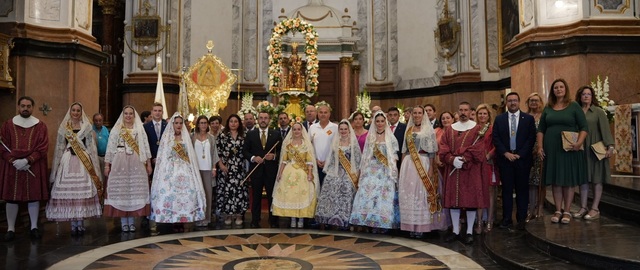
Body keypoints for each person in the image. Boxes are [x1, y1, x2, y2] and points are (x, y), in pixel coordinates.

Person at [537, 79, 588, 224]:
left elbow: (584, 127)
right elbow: (541, 130)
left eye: (561, 87)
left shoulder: (574, 106)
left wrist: (579, 143)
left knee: (568, 180)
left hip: (569, 148)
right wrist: (540, 147)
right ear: (552, 90)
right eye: (556, 87)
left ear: (565, 89)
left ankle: (567, 211)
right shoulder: (548, 107)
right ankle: (558, 210)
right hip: (551, 148)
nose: (558, 89)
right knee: (556, 180)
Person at [47, 103, 103, 235]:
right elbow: (60, 146)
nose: (76, 113)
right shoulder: (64, 127)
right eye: (74, 110)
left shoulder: (87, 127)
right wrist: (57, 165)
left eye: (78, 110)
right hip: (68, 160)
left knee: (81, 190)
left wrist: (94, 164)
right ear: (70, 111)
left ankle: (81, 222)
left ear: (81, 112)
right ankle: (73, 224)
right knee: (71, 191)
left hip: (83, 160)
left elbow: (91, 147)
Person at [1, 96, 49, 241]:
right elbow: (2, 146)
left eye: (28, 106)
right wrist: (13, 160)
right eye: (23, 106)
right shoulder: (8, 125)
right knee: (12, 199)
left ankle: (34, 227)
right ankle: (10, 229)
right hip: (13, 167)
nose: (25, 108)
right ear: (18, 107)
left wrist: (28, 160)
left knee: (33, 197)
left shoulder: (40, 126)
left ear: (32, 107)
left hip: (32, 165)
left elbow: (43, 146)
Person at [439, 101, 486, 244]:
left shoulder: (477, 129)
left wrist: (464, 159)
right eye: (461, 110)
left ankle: (470, 231)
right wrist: (452, 159)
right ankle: (455, 231)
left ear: (470, 111)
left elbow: (478, 149)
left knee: (470, 202)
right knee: (454, 202)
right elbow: (443, 147)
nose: (463, 113)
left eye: (466, 110)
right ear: (458, 112)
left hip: (470, 170)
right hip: (453, 169)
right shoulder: (450, 129)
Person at [150, 113, 206, 231]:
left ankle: (182, 220)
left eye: (181, 123)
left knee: (187, 194)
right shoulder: (167, 138)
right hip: (170, 169)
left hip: (185, 169)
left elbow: (190, 155)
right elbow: (163, 155)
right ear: (172, 124)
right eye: (176, 123)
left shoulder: (186, 138)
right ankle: (173, 219)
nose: (179, 125)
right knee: (171, 194)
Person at [104, 105, 153, 233]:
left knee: (132, 191)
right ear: (123, 115)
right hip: (119, 162)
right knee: (122, 190)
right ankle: (123, 222)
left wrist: (148, 164)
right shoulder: (117, 129)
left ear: (134, 115)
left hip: (136, 161)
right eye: (126, 113)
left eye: (131, 113)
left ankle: (131, 221)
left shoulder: (139, 129)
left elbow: (145, 147)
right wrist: (107, 165)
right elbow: (110, 147)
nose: (128, 116)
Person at [399, 106, 445, 238]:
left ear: (423, 114)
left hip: (424, 163)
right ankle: (410, 225)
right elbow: (404, 150)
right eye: (415, 113)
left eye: (420, 113)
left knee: (422, 193)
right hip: (409, 163)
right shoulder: (408, 130)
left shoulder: (428, 130)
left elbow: (432, 151)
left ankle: (421, 226)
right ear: (411, 115)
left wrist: (431, 168)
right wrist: (402, 167)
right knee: (409, 193)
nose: (417, 115)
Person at [350, 111, 400, 234]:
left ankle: (382, 223)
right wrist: (364, 171)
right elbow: (366, 155)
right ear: (374, 122)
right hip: (371, 169)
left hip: (385, 170)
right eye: (377, 121)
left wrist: (391, 169)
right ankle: (367, 221)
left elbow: (394, 156)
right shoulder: (370, 137)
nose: (380, 123)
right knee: (368, 193)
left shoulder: (390, 137)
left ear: (385, 122)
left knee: (383, 195)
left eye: (382, 121)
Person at [493, 94, 536, 230]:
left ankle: (521, 217)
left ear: (519, 102)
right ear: (506, 102)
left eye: (515, 100)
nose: (512, 103)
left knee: (522, 190)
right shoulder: (499, 119)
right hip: (505, 159)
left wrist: (519, 154)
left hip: (522, 160)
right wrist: (506, 153)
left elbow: (531, 139)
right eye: (510, 100)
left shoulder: (528, 119)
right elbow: (496, 138)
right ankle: (506, 218)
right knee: (506, 190)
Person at [574, 86, 615, 220]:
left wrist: (610, 147)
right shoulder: (577, 111)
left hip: (595, 148)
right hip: (580, 148)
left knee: (597, 179)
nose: (586, 96)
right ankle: (583, 207)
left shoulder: (598, 111)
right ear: (580, 96)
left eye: (589, 94)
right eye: (584, 94)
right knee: (583, 179)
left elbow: (605, 130)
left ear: (592, 97)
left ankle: (595, 208)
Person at [315, 119, 361, 229]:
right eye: (341, 129)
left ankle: (345, 219)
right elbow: (331, 159)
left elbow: (358, 161)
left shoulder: (353, 144)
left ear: (349, 130)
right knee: (329, 184)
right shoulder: (335, 143)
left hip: (349, 173)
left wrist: (357, 176)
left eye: (345, 129)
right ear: (338, 130)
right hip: (335, 171)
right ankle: (328, 218)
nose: (343, 131)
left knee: (346, 186)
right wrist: (330, 172)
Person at [272, 122, 320, 228]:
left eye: (298, 129)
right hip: (288, 172)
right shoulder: (288, 144)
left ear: (302, 131)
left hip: (303, 173)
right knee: (290, 196)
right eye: (294, 129)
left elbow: (309, 161)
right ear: (292, 131)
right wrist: (279, 174)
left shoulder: (306, 144)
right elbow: (284, 160)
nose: (296, 131)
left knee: (301, 195)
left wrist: (310, 173)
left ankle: (301, 219)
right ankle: (293, 218)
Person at [243, 111, 282, 228]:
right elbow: (245, 151)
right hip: (256, 170)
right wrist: (254, 158)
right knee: (256, 196)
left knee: (272, 196)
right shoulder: (251, 134)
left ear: (269, 120)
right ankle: (255, 220)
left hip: (271, 171)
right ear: (257, 120)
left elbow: (282, 151)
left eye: (265, 118)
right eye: (261, 118)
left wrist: (274, 156)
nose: (263, 120)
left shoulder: (276, 134)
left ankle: (273, 220)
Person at [216, 114, 249, 226]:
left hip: (240, 168)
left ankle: (239, 214)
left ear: (239, 123)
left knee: (240, 190)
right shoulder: (222, 135)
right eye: (231, 121)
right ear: (228, 123)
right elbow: (217, 152)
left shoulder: (244, 135)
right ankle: (228, 215)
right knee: (227, 191)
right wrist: (221, 165)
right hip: (226, 168)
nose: (233, 123)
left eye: (236, 121)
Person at [474, 104, 499, 233]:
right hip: (476, 164)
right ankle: (479, 222)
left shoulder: (493, 128)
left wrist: (489, 154)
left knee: (490, 192)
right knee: (478, 193)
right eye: (480, 113)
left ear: (489, 115)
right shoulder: (473, 129)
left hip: (489, 163)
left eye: (485, 113)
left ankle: (489, 220)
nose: (482, 116)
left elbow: (497, 144)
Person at [142, 102, 166, 232]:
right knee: (149, 187)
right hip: (150, 161)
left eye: (160, 110)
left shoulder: (167, 126)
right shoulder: (145, 127)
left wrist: (161, 158)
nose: (157, 113)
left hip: (163, 162)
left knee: (162, 187)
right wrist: (150, 160)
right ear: (151, 112)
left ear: (162, 112)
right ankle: (147, 213)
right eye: (155, 110)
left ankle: (161, 210)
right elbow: (144, 145)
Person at [191, 115, 220, 227]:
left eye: (205, 123)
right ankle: (197, 217)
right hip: (196, 169)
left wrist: (214, 167)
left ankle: (206, 218)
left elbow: (214, 153)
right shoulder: (192, 137)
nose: (203, 125)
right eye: (201, 123)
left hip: (208, 168)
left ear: (207, 124)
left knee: (208, 194)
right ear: (198, 124)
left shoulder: (211, 138)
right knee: (197, 194)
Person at [525, 93, 545, 222]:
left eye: (536, 100)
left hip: (541, 151)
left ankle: (540, 207)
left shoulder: (544, 116)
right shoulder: (525, 116)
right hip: (527, 152)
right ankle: (531, 208)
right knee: (530, 182)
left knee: (541, 181)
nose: (533, 103)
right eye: (531, 100)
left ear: (540, 102)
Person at [308, 102, 338, 187]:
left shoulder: (335, 128)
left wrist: (328, 161)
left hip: (330, 164)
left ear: (329, 114)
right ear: (317, 114)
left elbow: (337, 147)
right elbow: (309, 145)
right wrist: (315, 159)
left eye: (325, 112)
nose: (323, 114)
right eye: (321, 112)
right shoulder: (312, 127)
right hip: (315, 164)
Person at [388, 107, 407, 171]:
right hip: (386, 160)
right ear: (387, 116)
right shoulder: (383, 127)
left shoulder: (405, 128)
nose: (392, 117)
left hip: (399, 161)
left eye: (395, 115)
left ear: (399, 116)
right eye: (390, 115)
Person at [93, 113, 109, 179]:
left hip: (105, 157)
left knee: (104, 176)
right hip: (96, 157)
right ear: (93, 121)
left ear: (103, 121)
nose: (98, 122)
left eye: (100, 120)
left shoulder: (105, 129)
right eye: (96, 120)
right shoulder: (91, 130)